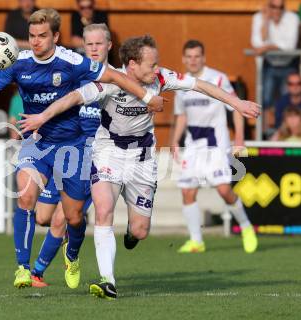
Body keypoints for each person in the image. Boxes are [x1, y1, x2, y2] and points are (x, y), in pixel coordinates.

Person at [18, 35, 261, 299]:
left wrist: (236, 103)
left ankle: (132, 236)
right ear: (132, 64)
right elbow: (74, 97)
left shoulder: (160, 79)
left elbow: (199, 85)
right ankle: (107, 280)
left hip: (142, 159)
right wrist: (42, 116)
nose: (156, 69)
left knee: (140, 230)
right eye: (151, 64)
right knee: (104, 210)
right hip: (108, 153)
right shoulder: (110, 82)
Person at [0, 9, 165, 290]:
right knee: (25, 196)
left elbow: (115, 77)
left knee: (73, 218)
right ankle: (23, 269)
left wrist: (148, 96)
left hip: (72, 148)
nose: (35, 41)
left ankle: (72, 254)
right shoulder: (17, 63)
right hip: (37, 143)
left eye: (42, 36)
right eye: (31, 36)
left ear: (56, 36)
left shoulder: (72, 62)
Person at [29, 23, 111, 288]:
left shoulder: (115, 79)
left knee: (61, 219)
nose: (94, 48)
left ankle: (39, 272)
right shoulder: (73, 77)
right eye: (90, 44)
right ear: (83, 46)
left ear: (109, 45)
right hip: (64, 153)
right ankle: (70, 242)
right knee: (43, 216)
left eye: (99, 43)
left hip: (93, 159)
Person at [171, 40, 258, 255]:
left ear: (204, 57)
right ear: (184, 59)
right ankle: (196, 241)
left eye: (197, 56)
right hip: (193, 147)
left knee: (224, 191)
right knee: (187, 192)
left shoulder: (217, 78)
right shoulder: (180, 84)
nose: (193, 60)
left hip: (217, 145)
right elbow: (181, 114)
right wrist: (174, 139)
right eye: (189, 56)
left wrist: (239, 136)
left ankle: (246, 226)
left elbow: (236, 106)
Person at [251, 0, 299, 112]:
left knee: (287, 101)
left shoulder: (292, 18)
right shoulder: (258, 18)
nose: (277, 10)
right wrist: (266, 21)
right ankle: (266, 129)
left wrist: (268, 47)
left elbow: (289, 46)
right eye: (273, 7)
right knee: (265, 100)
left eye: (280, 7)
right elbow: (256, 43)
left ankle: (285, 129)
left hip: (289, 64)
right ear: (268, 6)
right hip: (269, 64)